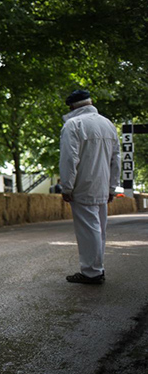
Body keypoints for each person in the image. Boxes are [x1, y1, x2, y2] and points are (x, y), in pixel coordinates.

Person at [59, 89, 120, 284]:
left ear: (72, 106)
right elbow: (116, 159)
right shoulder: (108, 124)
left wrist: (67, 187)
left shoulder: (73, 125)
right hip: (102, 184)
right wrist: (112, 187)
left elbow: (70, 159)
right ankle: (96, 268)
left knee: (88, 230)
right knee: (99, 229)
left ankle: (92, 272)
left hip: (83, 185)